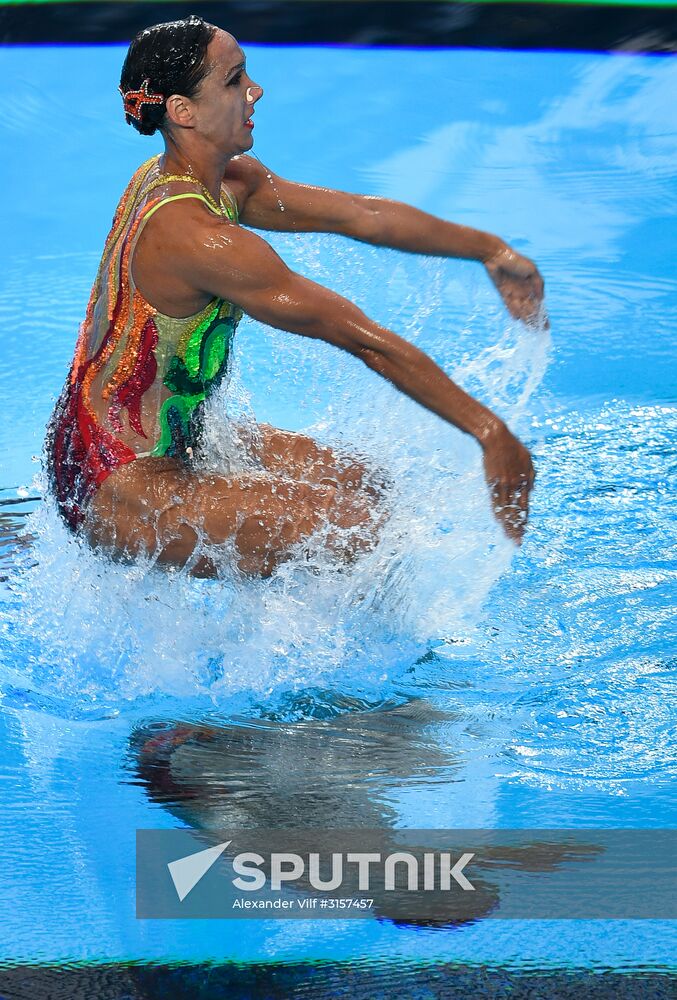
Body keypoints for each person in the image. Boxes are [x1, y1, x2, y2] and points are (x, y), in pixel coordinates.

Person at [46, 15, 544, 579]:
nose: (255, 91)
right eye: (234, 81)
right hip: (113, 477)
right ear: (183, 111)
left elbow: (364, 215)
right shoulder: (198, 239)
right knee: (355, 532)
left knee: (363, 481)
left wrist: (491, 250)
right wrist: (489, 432)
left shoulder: (220, 183)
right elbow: (358, 337)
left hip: (171, 437)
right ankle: (346, 667)